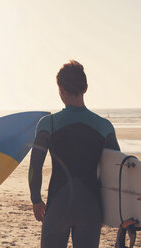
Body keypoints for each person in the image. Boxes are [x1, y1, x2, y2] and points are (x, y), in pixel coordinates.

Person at [28, 60, 120, 248]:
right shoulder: (105, 126)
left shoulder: (48, 124)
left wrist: (36, 200)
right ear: (85, 88)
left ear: (60, 89)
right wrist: (110, 210)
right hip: (91, 207)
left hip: (57, 207)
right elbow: (116, 172)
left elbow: (35, 165)